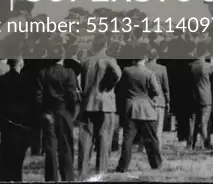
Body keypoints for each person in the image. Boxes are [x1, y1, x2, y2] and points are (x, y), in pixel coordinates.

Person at [76, 36, 121, 177]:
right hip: (105, 104)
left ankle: (82, 172)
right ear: (105, 45)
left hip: (88, 102)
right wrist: (107, 86)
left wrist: (84, 92)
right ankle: (101, 172)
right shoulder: (110, 61)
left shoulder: (85, 62)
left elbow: (78, 81)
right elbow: (118, 75)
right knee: (104, 138)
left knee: (85, 139)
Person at [115, 51, 162, 173]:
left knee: (127, 139)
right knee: (152, 139)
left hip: (130, 108)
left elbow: (120, 88)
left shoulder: (127, 71)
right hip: (147, 109)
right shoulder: (149, 73)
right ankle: (156, 164)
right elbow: (156, 91)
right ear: (145, 58)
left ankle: (123, 166)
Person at [0, 58, 37, 183]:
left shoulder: (1, 80)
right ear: (21, 64)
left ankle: (3, 177)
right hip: (21, 123)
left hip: (6, 121)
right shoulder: (27, 81)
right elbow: (31, 103)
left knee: (5, 150)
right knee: (18, 155)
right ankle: (15, 178)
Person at [37, 57, 79, 182]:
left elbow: (38, 95)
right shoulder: (69, 73)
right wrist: (71, 113)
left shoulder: (43, 72)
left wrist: (42, 112)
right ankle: (67, 177)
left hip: (48, 111)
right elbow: (72, 95)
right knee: (65, 146)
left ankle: (51, 178)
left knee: (50, 147)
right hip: (64, 111)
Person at [145, 52, 170, 153]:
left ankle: (144, 148)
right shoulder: (162, 68)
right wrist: (168, 100)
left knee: (146, 127)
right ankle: (157, 148)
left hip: (147, 101)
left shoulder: (144, 67)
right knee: (158, 128)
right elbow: (165, 87)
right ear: (157, 56)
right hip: (159, 100)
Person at [190, 54, 213, 150]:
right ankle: (205, 143)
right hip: (206, 97)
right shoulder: (208, 66)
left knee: (193, 122)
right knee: (204, 122)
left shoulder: (191, 66)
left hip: (194, 96)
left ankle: (191, 143)